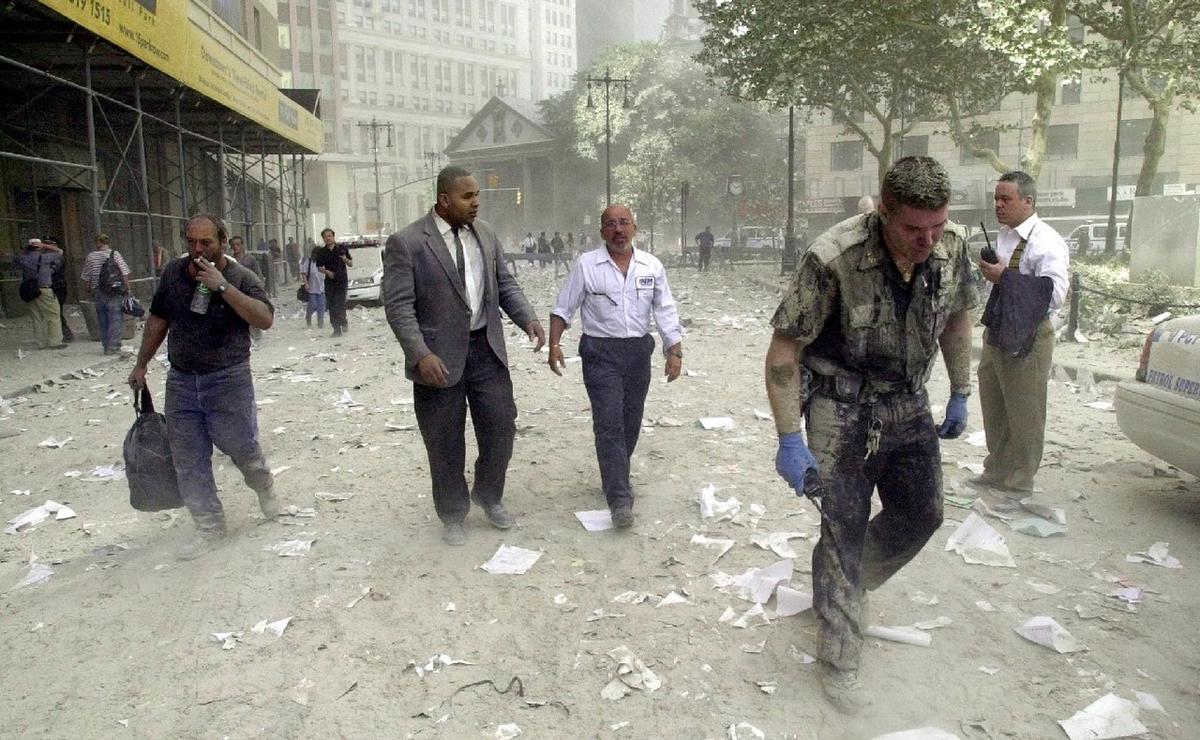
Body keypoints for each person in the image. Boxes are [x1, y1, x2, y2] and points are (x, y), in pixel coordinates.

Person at [764, 156, 976, 714]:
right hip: (840, 408)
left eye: (935, 226)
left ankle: (846, 589)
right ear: (884, 212)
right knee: (843, 530)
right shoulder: (834, 257)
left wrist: (961, 388)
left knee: (924, 512)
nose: (927, 240)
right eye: (912, 229)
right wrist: (790, 438)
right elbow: (785, 351)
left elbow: (958, 318)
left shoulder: (952, 247)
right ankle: (839, 656)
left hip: (907, 400)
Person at [382, 166, 545, 546]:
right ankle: (453, 512)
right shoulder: (407, 243)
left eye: (476, 196)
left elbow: (505, 284)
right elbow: (399, 307)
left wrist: (529, 319)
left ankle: (489, 495)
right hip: (437, 360)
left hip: (486, 349)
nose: (476, 203)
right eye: (467, 197)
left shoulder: (485, 235)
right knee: (443, 440)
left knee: (502, 427)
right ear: (444, 200)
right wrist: (420, 353)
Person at [127, 214, 279, 560]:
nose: (198, 250)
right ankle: (209, 525)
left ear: (222, 242)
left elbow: (264, 319)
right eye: (191, 242)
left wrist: (222, 286)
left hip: (228, 379)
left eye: (206, 243)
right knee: (188, 458)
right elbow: (158, 320)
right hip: (182, 381)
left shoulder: (242, 276)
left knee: (242, 447)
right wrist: (141, 363)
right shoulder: (173, 275)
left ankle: (264, 485)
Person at [548, 205, 683, 528]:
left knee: (629, 422)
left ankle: (615, 472)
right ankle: (620, 499)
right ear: (601, 232)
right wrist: (554, 344)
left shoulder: (651, 266)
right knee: (608, 423)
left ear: (635, 227)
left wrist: (674, 350)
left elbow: (665, 309)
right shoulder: (586, 266)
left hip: (638, 352)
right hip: (600, 353)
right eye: (611, 225)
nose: (618, 230)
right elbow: (563, 308)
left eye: (624, 223)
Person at [976, 171, 1069, 493]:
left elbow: (1054, 294)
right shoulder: (1004, 235)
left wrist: (1006, 278)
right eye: (996, 199)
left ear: (1028, 201)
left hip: (1029, 334)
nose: (999, 205)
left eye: (1006, 199)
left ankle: (1021, 477)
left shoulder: (1046, 241)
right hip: (998, 328)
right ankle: (996, 469)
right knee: (994, 401)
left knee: (1024, 408)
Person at [80, 234, 131, 354]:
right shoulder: (115, 254)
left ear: (97, 243)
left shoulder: (91, 257)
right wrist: (128, 288)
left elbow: (86, 277)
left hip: (98, 291)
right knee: (116, 318)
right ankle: (113, 347)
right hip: (114, 291)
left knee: (102, 319)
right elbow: (124, 273)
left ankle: (105, 345)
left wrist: (88, 290)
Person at [20, 238, 66, 349]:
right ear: (39, 246)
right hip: (44, 289)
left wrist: (26, 249)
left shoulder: (23, 258)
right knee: (53, 315)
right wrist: (45, 246)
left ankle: (40, 343)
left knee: (36, 317)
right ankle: (55, 342)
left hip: (30, 290)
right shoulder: (45, 257)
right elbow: (60, 251)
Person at [318, 228, 351, 336]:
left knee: (339, 304)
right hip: (330, 282)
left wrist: (345, 259)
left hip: (341, 280)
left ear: (333, 236)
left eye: (329, 236)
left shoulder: (342, 248)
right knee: (331, 305)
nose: (327, 238)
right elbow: (319, 267)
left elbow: (350, 263)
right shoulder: (322, 252)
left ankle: (343, 322)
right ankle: (336, 329)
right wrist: (327, 272)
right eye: (325, 237)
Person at [45, 237, 73, 342]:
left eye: (49, 245)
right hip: (56, 286)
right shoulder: (49, 257)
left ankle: (65, 334)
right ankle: (63, 334)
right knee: (56, 312)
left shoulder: (57, 258)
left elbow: (52, 271)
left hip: (57, 287)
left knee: (56, 312)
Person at [300, 246, 327, 329]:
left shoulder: (325, 261)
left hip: (322, 288)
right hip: (312, 288)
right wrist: (306, 283)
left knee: (321, 307)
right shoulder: (309, 262)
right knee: (313, 305)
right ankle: (308, 316)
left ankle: (320, 323)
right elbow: (303, 273)